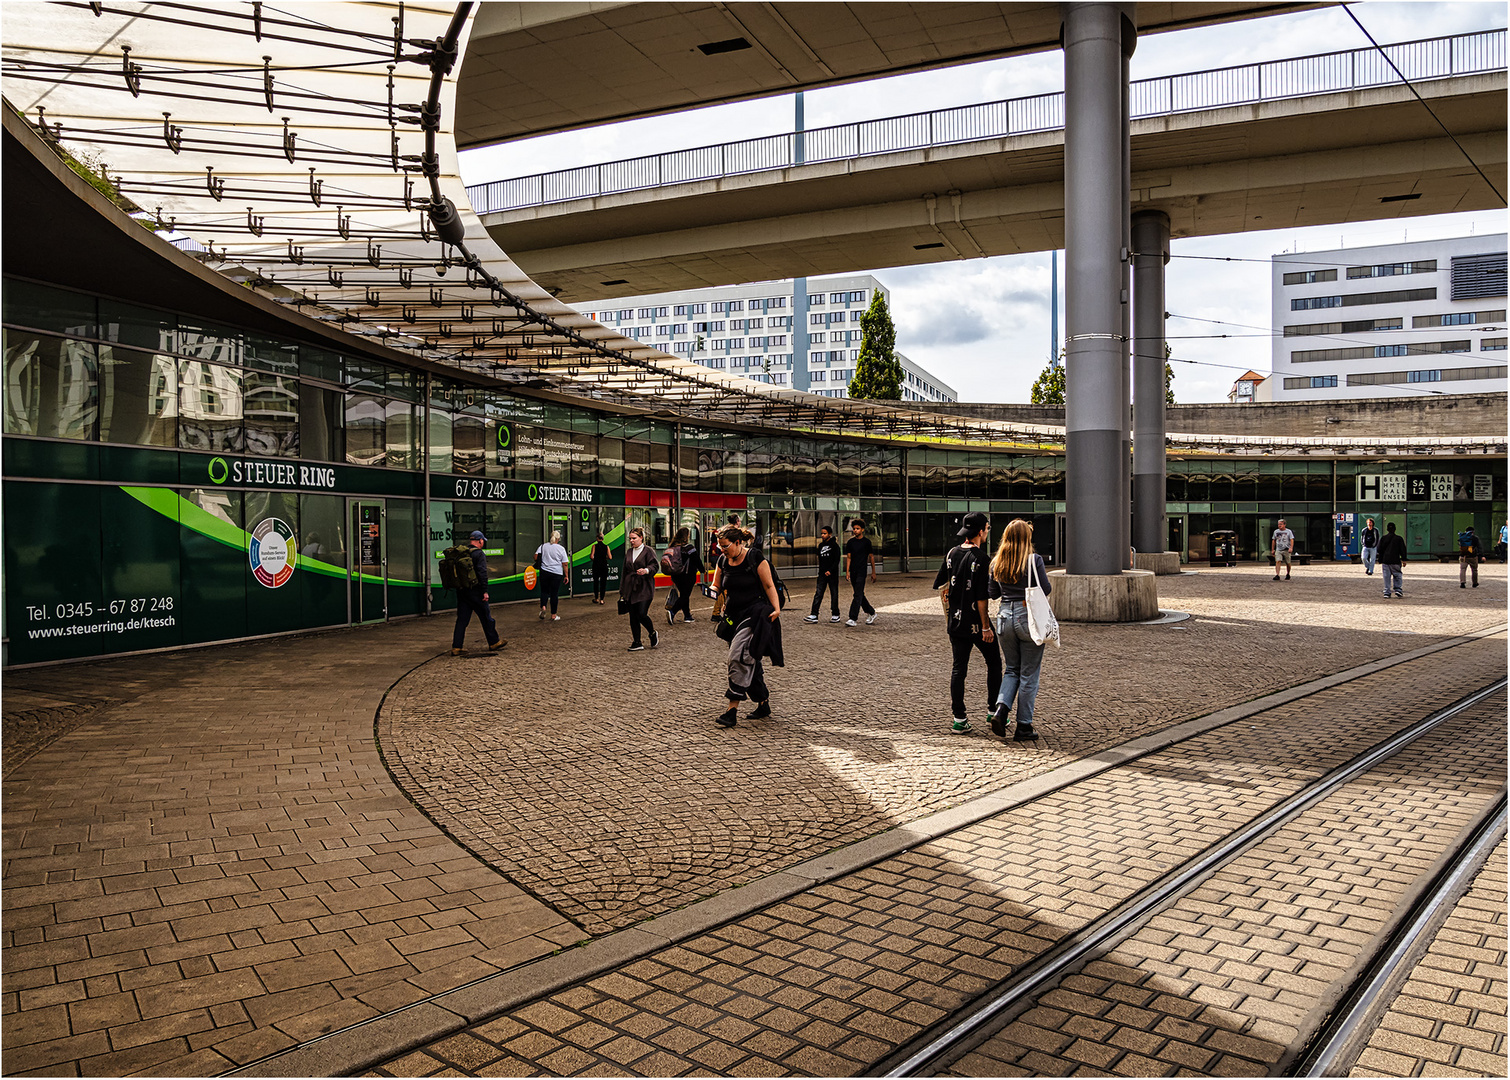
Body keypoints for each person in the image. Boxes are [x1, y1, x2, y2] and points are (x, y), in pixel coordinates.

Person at [933, 512, 999, 735]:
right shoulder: (982, 559)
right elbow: (982, 598)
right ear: (981, 532)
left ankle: (959, 718)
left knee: (958, 669)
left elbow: (941, 585)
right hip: (975, 624)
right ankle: (993, 711)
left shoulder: (952, 553)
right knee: (995, 664)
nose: (987, 532)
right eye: (987, 529)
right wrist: (986, 627)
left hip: (956, 623)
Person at [710, 524, 783, 728]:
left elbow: (769, 585)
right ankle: (763, 702)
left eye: (725, 545)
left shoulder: (755, 558)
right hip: (733, 616)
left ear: (738, 542)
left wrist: (776, 609)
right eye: (719, 545)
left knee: (737, 657)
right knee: (750, 660)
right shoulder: (724, 560)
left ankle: (731, 710)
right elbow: (718, 584)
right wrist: (712, 590)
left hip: (755, 614)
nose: (721, 549)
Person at [990, 518, 1051, 742]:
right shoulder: (1034, 560)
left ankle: (1001, 710)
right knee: (1028, 674)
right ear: (1027, 537)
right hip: (1028, 618)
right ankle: (1023, 726)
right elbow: (1045, 589)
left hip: (1004, 618)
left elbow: (993, 593)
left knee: (1011, 669)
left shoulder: (997, 561)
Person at [451, 530, 507, 656]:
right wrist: (484, 591)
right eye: (483, 541)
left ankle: (456, 647)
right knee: (486, 617)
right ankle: (494, 642)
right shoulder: (479, 554)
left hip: (462, 591)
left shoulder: (462, 553)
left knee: (462, 620)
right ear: (480, 540)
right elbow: (482, 573)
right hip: (476, 592)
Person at [620, 526, 659, 651]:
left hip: (644, 587)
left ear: (641, 538)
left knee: (641, 614)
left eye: (634, 538)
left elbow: (655, 565)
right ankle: (637, 641)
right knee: (633, 616)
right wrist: (622, 590)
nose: (631, 541)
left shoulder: (648, 551)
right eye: (630, 539)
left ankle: (652, 632)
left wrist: (646, 570)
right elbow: (624, 571)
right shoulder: (629, 552)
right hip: (630, 587)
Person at [662, 527, 704, 624]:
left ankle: (687, 616)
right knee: (685, 596)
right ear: (687, 536)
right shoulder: (689, 548)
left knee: (684, 594)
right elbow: (696, 560)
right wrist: (702, 570)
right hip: (688, 575)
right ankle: (672, 612)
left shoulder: (672, 547)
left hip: (676, 575)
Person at [805, 525, 843, 623]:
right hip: (822, 574)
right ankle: (814, 614)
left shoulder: (835, 546)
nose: (822, 535)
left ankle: (835, 614)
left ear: (829, 534)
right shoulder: (821, 546)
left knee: (834, 594)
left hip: (832, 575)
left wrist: (830, 570)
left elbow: (836, 560)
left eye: (824, 533)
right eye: (821, 533)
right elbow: (821, 560)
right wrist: (822, 571)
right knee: (818, 593)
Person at [844, 518, 878, 626]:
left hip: (862, 572)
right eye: (854, 529)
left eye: (857, 529)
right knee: (859, 594)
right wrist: (847, 571)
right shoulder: (850, 542)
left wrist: (873, 572)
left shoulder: (867, 542)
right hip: (853, 571)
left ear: (862, 530)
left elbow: (871, 557)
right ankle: (872, 612)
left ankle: (852, 618)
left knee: (857, 594)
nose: (855, 530)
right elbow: (848, 557)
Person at [535, 530, 570, 620]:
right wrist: (566, 576)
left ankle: (543, 607)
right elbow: (565, 564)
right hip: (556, 573)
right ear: (558, 539)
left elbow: (535, 557)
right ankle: (553, 615)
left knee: (544, 591)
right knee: (554, 594)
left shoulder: (543, 546)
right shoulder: (561, 549)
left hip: (544, 572)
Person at [1377, 522, 1407, 598]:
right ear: (1395, 529)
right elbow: (1402, 550)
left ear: (1387, 529)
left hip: (1386, 561)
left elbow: (1379, 549)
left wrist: (1380, 559)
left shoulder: (1383, 538)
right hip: (1395, 560)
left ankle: (1387, 592)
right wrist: (1403, 559)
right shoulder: (1399, 539)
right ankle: (1398, 590)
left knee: (1386, 577)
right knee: (1397, 575)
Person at [589, 532, 610, 604]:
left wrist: (596, 559)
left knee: (596, 582)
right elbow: (610, 557)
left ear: (597, 538)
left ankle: (596, 598)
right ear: (603, 539)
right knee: (603, 582)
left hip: (596, 565)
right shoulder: (606, 547)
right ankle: (602, 599)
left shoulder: (594, 546)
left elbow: (591, 556)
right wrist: (604, 557)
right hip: (604, 565)